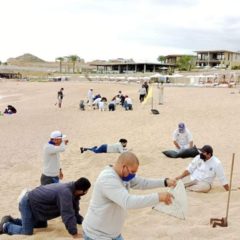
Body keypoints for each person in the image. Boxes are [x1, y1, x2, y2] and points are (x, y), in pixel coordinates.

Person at [82, 152, 175, 240]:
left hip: (113, 234)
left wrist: (165, 182)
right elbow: (128, 202)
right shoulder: (107, 179)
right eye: (132, 172)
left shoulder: (123, 175)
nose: (133, 175)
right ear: (124, 167)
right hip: (96, 235)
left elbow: (143, 183)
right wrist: (159, 197)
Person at [0, 177, 91, 238]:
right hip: (28, 202)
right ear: (81, 191)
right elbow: (67, 213)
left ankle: (11, 220)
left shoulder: (73, 191)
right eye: (86, 191)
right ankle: (5, 226)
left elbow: (74, 211)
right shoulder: (66, 193)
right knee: (27, 231)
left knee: (42, 225)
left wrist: (83, 222)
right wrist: (74, 233)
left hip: (39, 207)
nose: (85, 193)